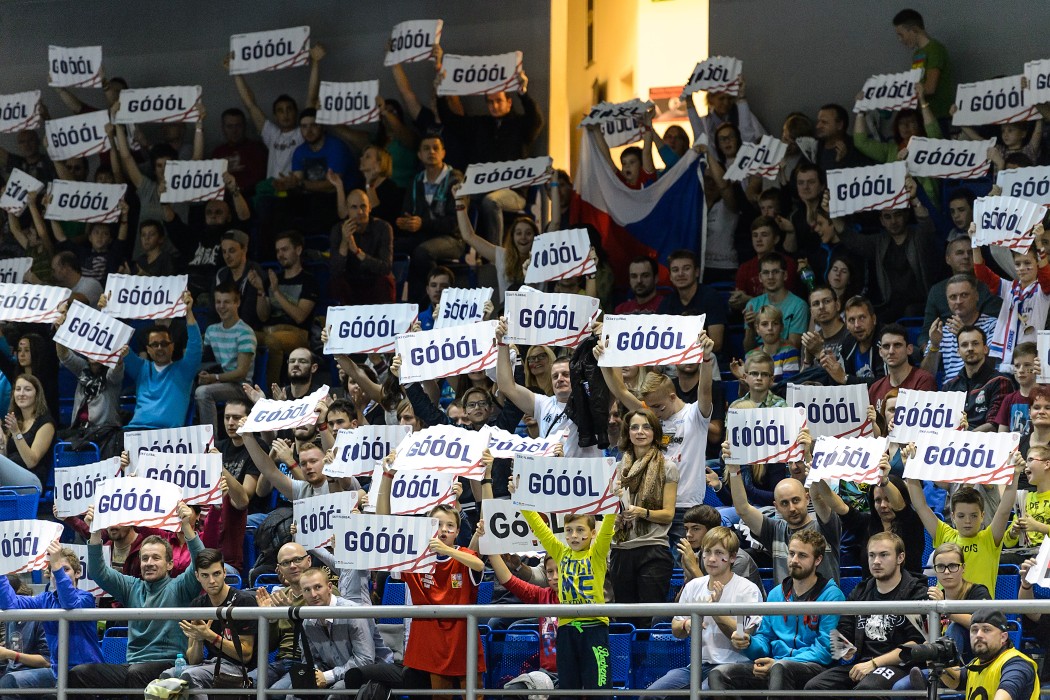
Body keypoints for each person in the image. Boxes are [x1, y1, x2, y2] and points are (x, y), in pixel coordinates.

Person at [69, 502, 205, 698]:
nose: (149, 563)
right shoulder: (132, 587)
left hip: (169, 666)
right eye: (145, 558)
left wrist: (186, 527)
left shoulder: (180, 587)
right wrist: (95, 531)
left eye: (156, 558)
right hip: (132, 666)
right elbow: (99, 573)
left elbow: (201, 562)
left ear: (169, 564)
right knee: (79, 674)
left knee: (136, 673)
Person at [376, 464, 485, 699]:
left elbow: (479, 565)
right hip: (429, 645)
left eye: (449, 526)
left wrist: (449, 550)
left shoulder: (466, 557)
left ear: (457, 531)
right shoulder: (414, 559)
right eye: (437, 525)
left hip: (463, 642)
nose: (443, 530)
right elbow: (382, 525)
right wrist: (387, 477)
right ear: (427, 527)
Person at [597, 337, 715, 545]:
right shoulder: (653, 418)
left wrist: (705, 359)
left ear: (672, 396)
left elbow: (705, 390)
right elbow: (621, 391)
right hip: (653, 507)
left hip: (687, 506)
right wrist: (605, 361)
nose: (655, 414)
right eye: (649, 408)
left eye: (658, 407)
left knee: (683, 566)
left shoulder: (695, 415)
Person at [707, 530, 844, 693]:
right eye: (791, 553)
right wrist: (749, 643)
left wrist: (777, 663)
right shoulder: (776, 594)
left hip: (815, 668)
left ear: (818, 560)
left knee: (781, 668)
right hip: (776, 665)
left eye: (802, 556)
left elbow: (827, 650)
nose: (794, 560)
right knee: (719, 674)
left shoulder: (832, 595)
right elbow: (765, 638)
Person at [804, 532, 927, 697]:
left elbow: (915, 644)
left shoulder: (916, 593)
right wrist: (844, 648)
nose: (876, 561)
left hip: (900, 666)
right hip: (861, 664)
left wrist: (875, 663)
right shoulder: (861, 591)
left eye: (884, 555)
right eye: (872, 555)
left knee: (867, 690)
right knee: (815, 687)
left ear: (900, 558)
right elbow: (843, 628)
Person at [649, 526, 762, 694]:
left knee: (704, 693)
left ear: (732, 557)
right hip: (697, 666)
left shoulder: (747, 590)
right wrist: (687, 624)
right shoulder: (693, 586)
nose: (711, 559)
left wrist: (714, 611)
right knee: (651, 694)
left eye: (718, 553)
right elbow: (676, 628)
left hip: (734, 666)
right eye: (707, 552)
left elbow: (741, 637)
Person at [520, 500, 615, 698]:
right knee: (568, 690)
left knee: (599, 689)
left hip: (594, 629)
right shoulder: (561, 553)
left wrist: (614, 502)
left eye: (580, 530)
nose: (574, 535)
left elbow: (607, 528)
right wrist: (521, 500)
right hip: (566, 628)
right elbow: (540, 528)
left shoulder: (596, 554)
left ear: (593, 533)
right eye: (569, 530)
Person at [437, 69, 544, 243]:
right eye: (490, 102)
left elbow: (536, 121)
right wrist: (441, 93)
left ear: (509, 103)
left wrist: (523, 93)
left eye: (498, 101)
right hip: (482, 186)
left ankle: (496, 253)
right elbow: (451, 121)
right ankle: (462, 246)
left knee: (491, 201)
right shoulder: (481, 124)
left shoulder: (520, 125)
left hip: (513, 191)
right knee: (458, 195)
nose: (494, 105)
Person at [907, 452, 1023, 593]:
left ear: (982, 516)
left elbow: (1004, 510)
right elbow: (920, 506)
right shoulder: (945, 535)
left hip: (979, 612)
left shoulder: (990, 538)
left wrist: (1015, 476)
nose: (968, 521)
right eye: (961, 516)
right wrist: (910, 469)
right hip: (946, 611)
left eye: (974, 516)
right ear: (953, 516)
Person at [0, 541, 102, 698]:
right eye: (54, 570)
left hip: (87, 674)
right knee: (11, 682)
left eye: (65, 569)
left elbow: (69, 603)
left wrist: (55, 564)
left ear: (78, 573)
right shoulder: (45, 599)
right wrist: (1, 572)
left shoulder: (86, 597)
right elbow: (11, 604)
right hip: (57, 673)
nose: (57, 573)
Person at [610, 408, 679, 628]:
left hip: (653, 548)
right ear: (627, 433)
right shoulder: (615, 469)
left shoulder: (667, 467)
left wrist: (642, 512)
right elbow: (607, 511)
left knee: (648, 619)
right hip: (621, 549)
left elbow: (668, 514)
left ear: (655, 432)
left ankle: (648, 660)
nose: (640, 432)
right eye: (635, 427)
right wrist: (618, 518)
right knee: (623, 619)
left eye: (647, 426)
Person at [726, 462, 842, 583]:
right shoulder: (774, 530)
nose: (792, 508)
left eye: (796, 500)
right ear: (776, 507)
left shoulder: (827, 528)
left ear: (807, 499)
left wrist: (814, 472)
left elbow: (819, 498)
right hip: (783, 601)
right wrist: (734, 471)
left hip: (824, 600)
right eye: (785, 503)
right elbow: (742, 509)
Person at [271, 567, 376, 698]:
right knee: (294, 693)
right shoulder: (306, 622)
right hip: (333, 673)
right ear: (302, 594)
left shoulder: (352, 613)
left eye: (318, 587)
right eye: (307, 590)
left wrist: (327, 676)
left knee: (337, 692)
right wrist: (315, 674)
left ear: (330, 587)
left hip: (368, 674)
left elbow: (365, 660)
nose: (313, 594)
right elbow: (310, 660)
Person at [159, 548, 257, 690]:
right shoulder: (198, 605)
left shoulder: (244, 601)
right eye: (205, 575)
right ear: (197, 576)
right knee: (167, 677)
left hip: (239, 668)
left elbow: (246, 655)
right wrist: (199, 638)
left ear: (224, 572)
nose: (211, 581)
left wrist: (210, 636)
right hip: (208, 664)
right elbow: (193, 660)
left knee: (190, 676)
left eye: (216, 574)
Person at [971, 223, 1050, 373]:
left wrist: (1039, 242)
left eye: (1027, 263)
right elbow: (982, 273)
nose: (1022, 268)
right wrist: (975, 242)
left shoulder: (1042, 289)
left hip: (1030, 358)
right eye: (1018, 264)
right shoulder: (1008, 287)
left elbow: (1047, 276)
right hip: (1006, 357)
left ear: (1037, 264)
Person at [116, 291, 201, 430]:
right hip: (135, 432)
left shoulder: (184, 370)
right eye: (155, 345)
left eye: (164, 343)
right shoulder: (141, 368)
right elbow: (115, 339)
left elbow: (195, 345)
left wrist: (188, 312)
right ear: (148, 349)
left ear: (172, 346)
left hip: (168, 437)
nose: (160, 348)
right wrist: (108, 308)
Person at [398, 134, 464, 304]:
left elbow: (455, 223)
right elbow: (407, 211)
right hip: (423, 236)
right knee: (392, 245)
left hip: (453, 239)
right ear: (419, 154)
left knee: (422, 252)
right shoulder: (417, 180)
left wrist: (422, 223)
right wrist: (405, 223)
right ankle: (401, 305)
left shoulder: (456, 180)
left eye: (436, 148)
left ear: (443, 153)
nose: (431, 152)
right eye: (426, 148)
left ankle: (437, 299)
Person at [259, 231, 320, 385]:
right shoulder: (273, 280)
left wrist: (277, 292)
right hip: (269, 330)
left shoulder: (309, 280)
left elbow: (300, 316)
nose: (280, 254)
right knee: (243, 336)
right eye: (278, 251)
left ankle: (271, 393)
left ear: (298, 250)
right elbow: (263, 316)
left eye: (285, 249)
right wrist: (260, 290)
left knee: (272, 341)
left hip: (297, 334)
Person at [919, 238, 1001, 351]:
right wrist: (929, 348)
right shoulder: (936, 290)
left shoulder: (990, 286)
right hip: (945, 347)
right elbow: (926, 331)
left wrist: (965, 334)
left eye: (970, 252)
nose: (966, 256)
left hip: (983, 345)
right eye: (959, 253)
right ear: (948, 259)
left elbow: (996, 328)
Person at [937, 610, 1039, 700]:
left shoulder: (1017, 664)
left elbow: (1006, 692)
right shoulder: (977, 663)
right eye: (974, 630)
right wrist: (937, 661)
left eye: (986, 630)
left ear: (1003, 637)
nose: (979, 635)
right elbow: (956, 681)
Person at [194, 283, 256, 432]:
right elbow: (207, 362)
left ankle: (210, 444)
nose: (221, 306)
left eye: (226, 302)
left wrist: (213, 377)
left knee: (202, 392)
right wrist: (204, 374)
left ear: (237, 303)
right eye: (218, 302)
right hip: (217, 382)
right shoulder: (211, 330)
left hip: (241, 386)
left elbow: (241, 372)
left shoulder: (245, 332)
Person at [921, 275, 999, 384]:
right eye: (953, 297)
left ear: (976, 296)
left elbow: (992, 364)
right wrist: (934, 346)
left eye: (964, 295)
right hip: (951, 392)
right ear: (947, 301)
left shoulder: (993, 325)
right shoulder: (942, 331)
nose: (958, 301)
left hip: (982, 387)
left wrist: (965, 335)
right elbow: (926, 376)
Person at [329, 189, 395, 306]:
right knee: (336, 281)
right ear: (347, 210)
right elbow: (335, 270)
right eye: (354, 207)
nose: (359, 211)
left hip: (374, 281)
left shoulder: (383, 228)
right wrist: (344, 241)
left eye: (363, 206)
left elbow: (385, 267)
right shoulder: (338, 230)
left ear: (370, 208)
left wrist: (357, 252)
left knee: (385, 280)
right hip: (351, 282)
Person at [941, 326, 1014, 430]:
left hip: (986, 444)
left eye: (975, 343)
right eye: (964, 345)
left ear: (985, 349)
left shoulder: (1000, 381)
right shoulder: (949, 387)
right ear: (958, 352)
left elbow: (994, 425)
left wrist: (962, 438)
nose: (970, 348)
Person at [676, 505, 763, 590]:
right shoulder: (698, 556)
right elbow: (680, 603)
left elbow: (722, 599)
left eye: (695, 529)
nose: (688, 534)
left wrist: (693, 568)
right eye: (686, 529)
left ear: (712, 530)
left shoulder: (738, 559)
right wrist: (689, 578)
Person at [892, 9, 955, 126]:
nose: (900, 40)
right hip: (923, 116)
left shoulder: (935, 49)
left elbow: (930, 88)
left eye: (901, 35)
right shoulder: (917, 54)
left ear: (914, 30)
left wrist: (899, 97)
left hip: (939, 117)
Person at [658, 249, 727, 352]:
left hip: (710, 361)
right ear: (670, 276)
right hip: (677, 362)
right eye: (675, 270)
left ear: (697, 272)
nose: (680, 274)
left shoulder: (711, 297)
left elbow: (716, 343)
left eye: (686, 268)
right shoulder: (666, 303)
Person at [742, 254, 808, 350]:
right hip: (757, 360)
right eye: (765, 272)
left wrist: (764, 324)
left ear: (785, 275)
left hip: (786, 360)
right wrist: (751, 328)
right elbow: (747, 349)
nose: (770, 277)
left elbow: (794, 346)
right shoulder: (752, 304)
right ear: (760, 277)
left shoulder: (799, 305)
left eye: (776, 272)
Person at [868, 324, 936, 416]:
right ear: (880, 351)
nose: (891, 351)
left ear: (909, 349)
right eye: (886, 346)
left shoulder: (924, 381)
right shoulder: (875, 389)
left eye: (897, 345)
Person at [0, 375, 55, 489]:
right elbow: (6, 459)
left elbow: (31, 461)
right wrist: (2, 444)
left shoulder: (46, 423)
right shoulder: (16, 420)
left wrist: (16, 433)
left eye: (27, 389)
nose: (21, 394)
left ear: (37, 394)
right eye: (18, 389)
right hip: (11, 478)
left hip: (33, 481)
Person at [211, 107, 267, 195]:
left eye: (238, 126)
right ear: (223, 128)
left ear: (244, 126)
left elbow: (259, 180)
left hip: (248, 197)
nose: (234, 131)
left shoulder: (256, 149)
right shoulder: (218, 152)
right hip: (223, 199)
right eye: (229, 126)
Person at [801, 285, 849, 368]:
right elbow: (803, 379)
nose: (821, 307)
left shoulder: (850, 335)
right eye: (816, 304)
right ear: (811, 312)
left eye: (826, 301)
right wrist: (807, 360)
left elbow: (845, 377)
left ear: (837, 305)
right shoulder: (812, 341)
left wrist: (819, 353)